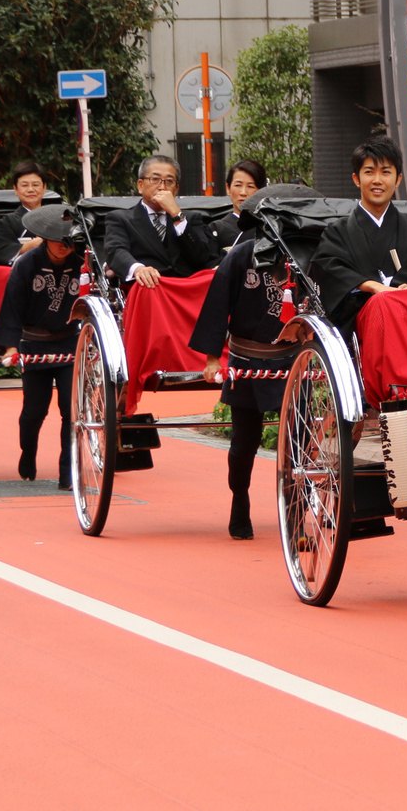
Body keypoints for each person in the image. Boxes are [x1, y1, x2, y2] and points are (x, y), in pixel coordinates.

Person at [192, 183, 317, 540]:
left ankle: (297, 518)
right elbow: (218, 305)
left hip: (296, 360)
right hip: (249, 358)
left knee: (299, 441)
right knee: (244, 442)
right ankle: (239, 499)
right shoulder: (242, 253)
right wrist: (213, 358)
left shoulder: (313, 253)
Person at [310, 137, 407, 336]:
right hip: (360, 323)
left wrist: (405, 287)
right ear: (356, 179)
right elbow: (328, 268)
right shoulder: (337, 233)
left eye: (386, 172)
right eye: (369, 172)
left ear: (398, 179)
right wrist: (374, 287)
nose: (377, 180)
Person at [0, 205, 84, 487]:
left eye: (69, 241)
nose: (63, 247)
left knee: (71, 410)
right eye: (57, 241)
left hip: (69, 343)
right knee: (35, 411)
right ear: (44, 237)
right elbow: (12, 308)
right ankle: (28, 451)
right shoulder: (27, 263)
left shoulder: (82, 262)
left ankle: (68, 471)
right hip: (34, 343)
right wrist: (10, 347)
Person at [103, 155, 220, 288]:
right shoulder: (120, 219)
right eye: (155, 179)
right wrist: (138, 269)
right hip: (147, 289)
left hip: (184, 291)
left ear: (176, 189)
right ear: (140, 185)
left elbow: (202, 258)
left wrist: (177, 215)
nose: (162, 187)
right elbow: (116, 251)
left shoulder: (191, 219)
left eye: (169, 181)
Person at [0, 161, 49, 264]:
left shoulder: (56, 218)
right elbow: (2, 251)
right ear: (16, 189)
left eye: (35, 185)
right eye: (24, 185)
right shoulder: (7, 222)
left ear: (44, 188)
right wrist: (28, 247)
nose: (30, 190)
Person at [212, 160, 268, 250]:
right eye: (238, 185)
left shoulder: (270, 226)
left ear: (261, 191)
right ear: (228, 188)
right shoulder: (217, 228)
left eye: (250, 186)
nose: (243, 192)